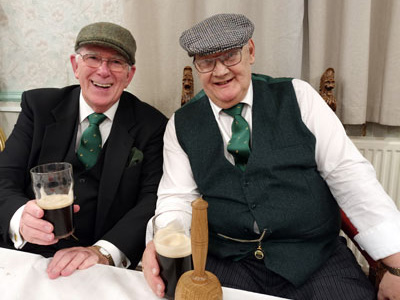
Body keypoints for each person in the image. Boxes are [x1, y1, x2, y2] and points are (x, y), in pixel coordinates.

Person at [142, 13, 400, 300]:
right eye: (206, 61)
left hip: (314, 257)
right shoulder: (180, 125)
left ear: (250, 51)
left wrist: (396, 266)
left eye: (230, 56)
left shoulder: (299, 98)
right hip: (228, 261)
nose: (220, 71)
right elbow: (176, 198)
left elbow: (351, 177)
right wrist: (165, 239)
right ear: (196, 66)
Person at [0, 22, 167, 279]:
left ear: (129, 74)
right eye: (92, 58)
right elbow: (3, 178)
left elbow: (152, 202)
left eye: (116, 62)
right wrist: (20, 219)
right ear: (75, 65)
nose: (103, 71)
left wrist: (103, 252)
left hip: (98, 266)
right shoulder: (39, 107)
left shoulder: (152, 125)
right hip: (25, 255)